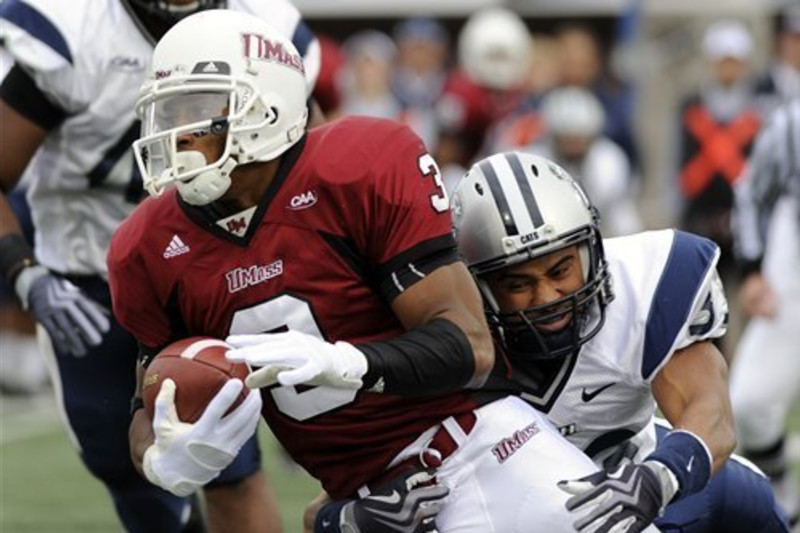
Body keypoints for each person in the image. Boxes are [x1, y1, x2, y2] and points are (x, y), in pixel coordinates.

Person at [108, 10, 604, 532]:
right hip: (364, 508)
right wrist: (161, 459)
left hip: (483, 452)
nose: (177, 135)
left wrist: (344, 363)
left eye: (196, 110)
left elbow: (470, 347)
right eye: (166, 113)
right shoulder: (146, 247)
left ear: (268, 104)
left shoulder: (358, 166)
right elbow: (149, 403)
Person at [311, 152, 790, 533]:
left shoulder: (642, 285)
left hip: (648, 475)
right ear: (477, 287)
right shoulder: (443, 348)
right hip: (526, 517)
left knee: (746, 495)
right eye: (519, 284)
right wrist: (350, 521)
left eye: (561, 270)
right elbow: (319, 514)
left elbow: (712, 418)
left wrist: (657, 477)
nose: (548, 297)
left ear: (592, 250)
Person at [0, 0, 320, 531]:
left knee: (231, 464)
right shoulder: (79, 32)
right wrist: (24, 272)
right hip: (87, 282)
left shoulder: (265, 26)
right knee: (129, 466)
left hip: (205, 270)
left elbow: (309, 159)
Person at [730, 98, 800, 527]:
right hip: (793, 277)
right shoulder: (791, 123)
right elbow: (751, 193)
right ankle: (785, 504)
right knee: (750, 403)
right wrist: (753, 271)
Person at [527, 86, 643, 236]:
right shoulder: (533, 162)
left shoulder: (609, 161)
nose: (573, 148)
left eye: (580, 139)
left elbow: (621, 214)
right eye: (566, 139)